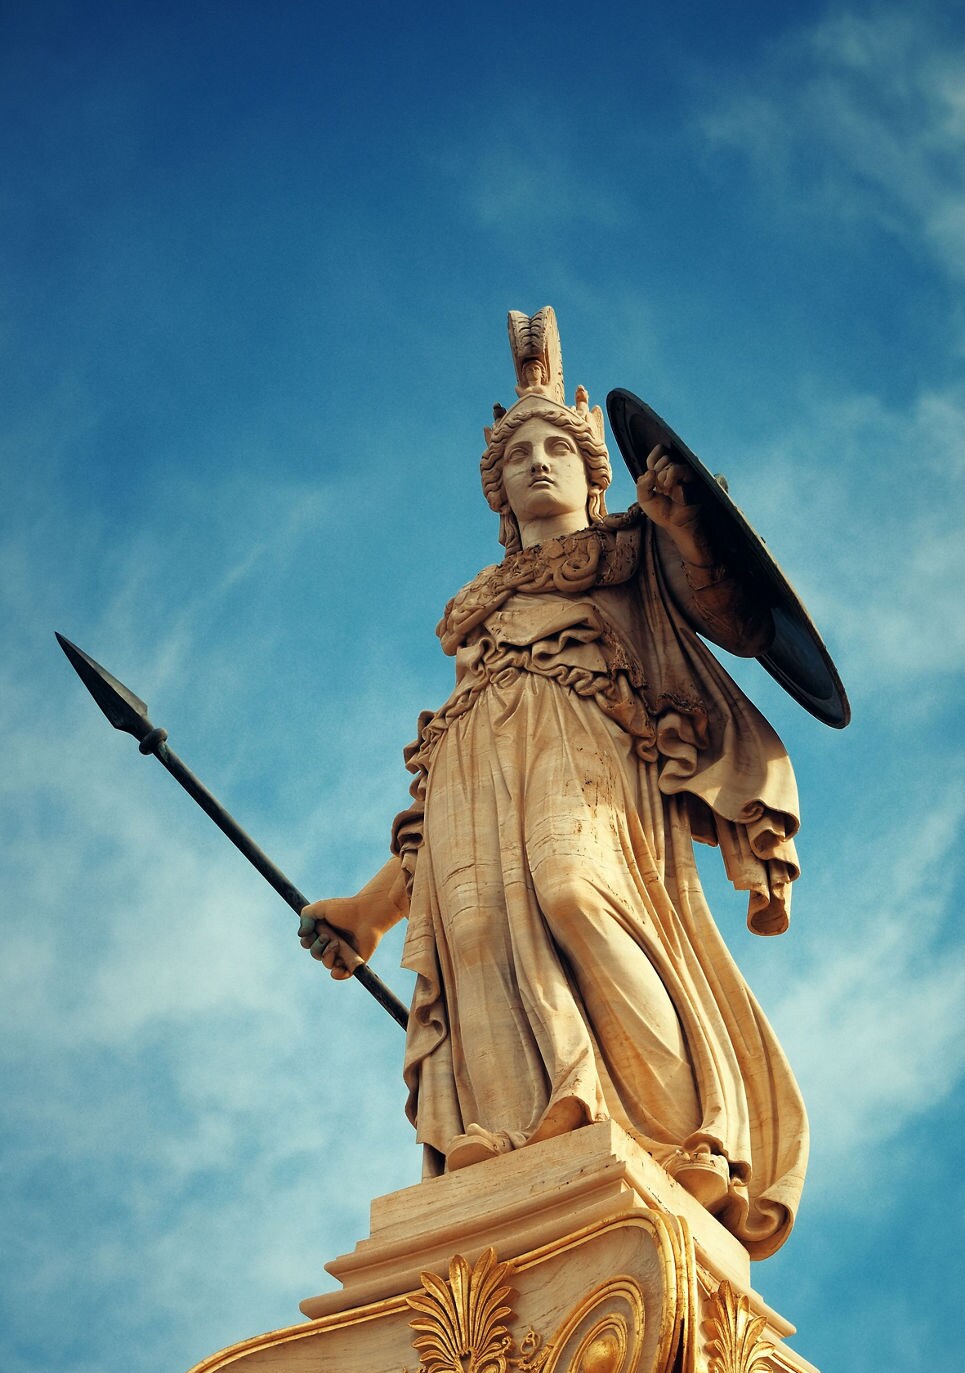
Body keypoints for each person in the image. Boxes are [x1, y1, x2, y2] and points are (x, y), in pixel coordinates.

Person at [300, 309, 807, 1256]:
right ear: (497, 490)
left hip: (583, 743)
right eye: (519, 454)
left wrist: (686, 526)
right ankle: (504, 1133)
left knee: (577, 893)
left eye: (557, 448)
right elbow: (423, 823)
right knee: (473, 929)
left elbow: (735, 617)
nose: (538, 462)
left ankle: (683, 1137)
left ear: (591, 470)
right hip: (474, 764)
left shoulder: (631, 550)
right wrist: (368, 913)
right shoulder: (479, 612)